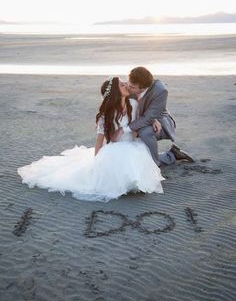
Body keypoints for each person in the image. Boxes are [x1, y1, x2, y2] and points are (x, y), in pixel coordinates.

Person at [17, 77, 164, 202]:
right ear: (114, 92)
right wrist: (97, 161)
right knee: (117, 167)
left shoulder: (133, 104)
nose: (126, 84)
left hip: (132, 144)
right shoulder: (106, 115)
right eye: (121, 84)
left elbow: (143, 118)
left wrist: (153, 120)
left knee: (136, 158)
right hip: (116, 148)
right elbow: (99, 140)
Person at [111, 67, 194, 167]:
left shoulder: (160, 91)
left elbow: (149, 117)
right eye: (128, 83)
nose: (128, 87)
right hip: (138, 120)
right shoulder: (129, 86)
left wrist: (123, 129)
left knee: (144, 133)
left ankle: (155, 164)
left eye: (132, 87)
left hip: (159, 124)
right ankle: (172, 154)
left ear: (143, 88)